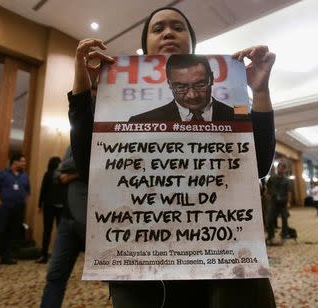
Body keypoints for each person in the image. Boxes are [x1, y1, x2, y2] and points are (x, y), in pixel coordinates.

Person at [67, 7, 276, 307]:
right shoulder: (137, 119)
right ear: (167, 83)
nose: (168, 32)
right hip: (146, 262)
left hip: (223, 256)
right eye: (158, 28)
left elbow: (261, 164)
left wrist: (260, 92)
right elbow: (92, 169)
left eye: (177, 27)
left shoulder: (234, 115)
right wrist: (82, 92)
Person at [40, 147, 86, 308]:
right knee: (54, 275)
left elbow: (102, 164)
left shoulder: (108, 133)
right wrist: (79, 172)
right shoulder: (74, 141)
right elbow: (58, 173)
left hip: (96, 220)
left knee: (116, 279)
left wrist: (71, 173)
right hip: (67, 219)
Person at [130, 54, 234, 121]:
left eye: (200, 85)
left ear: (211, 79)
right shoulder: (141, 121)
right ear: (169, 84)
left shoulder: (239, 116)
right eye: (181, 87)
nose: (192, 95)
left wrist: (251, 85)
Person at [0, 153, 30, 269]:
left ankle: (6, 257)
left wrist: (22, 201)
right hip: (4, 208)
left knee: (12, 233)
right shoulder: (2, 174)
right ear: (15, 162)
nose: (25, 163)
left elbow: (27, 191)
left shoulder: (25, 176)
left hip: (18, 209)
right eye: (22, 161)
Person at [36, 156, 65, 263]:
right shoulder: (51, 174)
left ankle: (51, 256)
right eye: (59, 163)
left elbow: (43, 191)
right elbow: (43, 190)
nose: (60, 164)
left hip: (55, 206)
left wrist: (40, 205)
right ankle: (49, 255)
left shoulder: (59, 175)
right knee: (52, 231)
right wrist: (40, 205)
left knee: (54, 231)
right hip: (54, 206)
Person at [266, 162, 292, 242]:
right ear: (277, 168)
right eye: (279, 167)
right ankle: (270, 235)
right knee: (269, 219)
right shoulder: (272, 178)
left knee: (284, 218)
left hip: (283, 202)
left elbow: (289, 192)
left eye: (282, 168)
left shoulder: (287, 180)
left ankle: (284, 234)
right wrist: (268, 195)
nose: (280, 169)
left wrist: (288, 202)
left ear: (284, 169)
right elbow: (267, 187)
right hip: (273, 201)